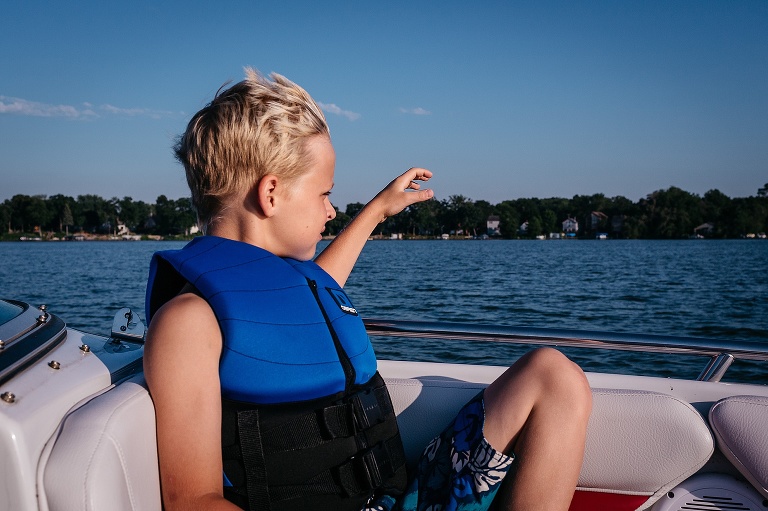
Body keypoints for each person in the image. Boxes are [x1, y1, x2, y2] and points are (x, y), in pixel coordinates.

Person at [144, 68, 592, 511]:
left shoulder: (288, 287)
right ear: (272, 194)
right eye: (324, 193)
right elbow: (193, 500)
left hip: (400, 499)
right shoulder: (188, 323)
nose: (332, 209)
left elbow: (313, 293)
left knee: (554, 375)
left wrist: (378, 209)